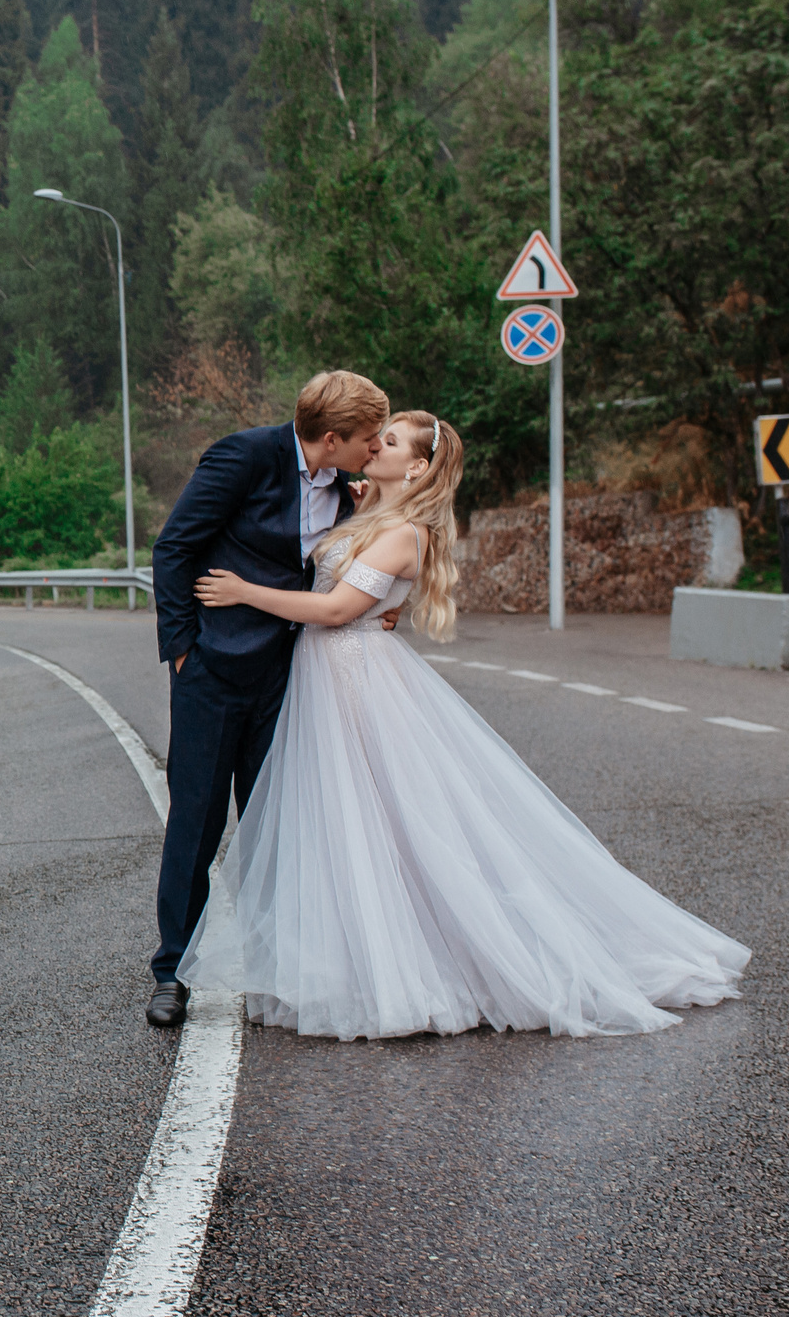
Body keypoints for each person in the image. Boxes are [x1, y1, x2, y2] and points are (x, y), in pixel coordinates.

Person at [178, 410, 749, 1039]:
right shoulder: (364, 509)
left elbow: (338, 609)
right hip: (326, 675)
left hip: (355, 677)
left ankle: (415, 964)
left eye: (389, 441)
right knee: (347, 822)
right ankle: (347, 959)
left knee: (384, 821)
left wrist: (245, 593)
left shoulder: (404, 533)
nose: (375, 446)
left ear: (417, 467)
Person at [145, 370, 391, 1029]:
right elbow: (174, 547)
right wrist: (183, 649)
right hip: (212, 670)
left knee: (276, 822)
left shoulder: (347, 490)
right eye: (368, 438)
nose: (375, 447)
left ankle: (271, 967)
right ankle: (172, 972)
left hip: (288, 675)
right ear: (332, 438)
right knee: (197, 822)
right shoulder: (245, 456)